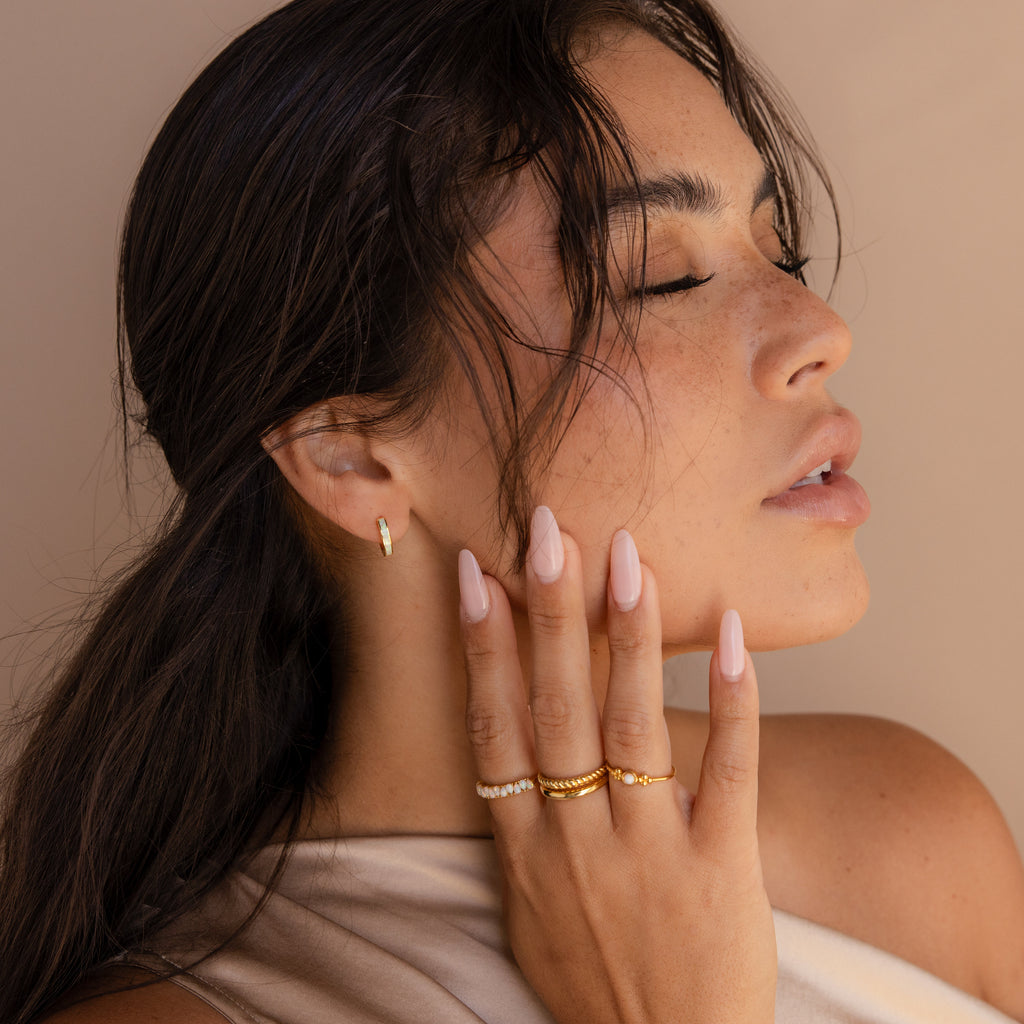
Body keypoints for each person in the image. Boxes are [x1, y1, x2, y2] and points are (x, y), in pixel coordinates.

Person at [2, 0, 1022, 1021]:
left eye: (778, 250)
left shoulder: (906, 843)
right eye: (662, 278)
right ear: (347, 455)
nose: (821, 328)